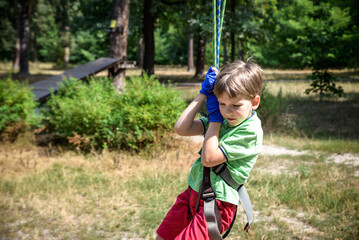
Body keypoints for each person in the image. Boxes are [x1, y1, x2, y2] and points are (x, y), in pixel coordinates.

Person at [156, 59, 264, 240]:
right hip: (193, 192)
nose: (227, 111)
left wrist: (214, 119)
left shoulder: (249, 131)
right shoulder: (223, 119)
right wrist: (202, 94)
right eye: (222, 103)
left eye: (236, 105)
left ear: (254, 102)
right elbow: (181, 129)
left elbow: (209, 158)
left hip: (218, 203)